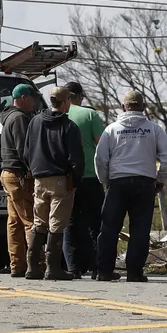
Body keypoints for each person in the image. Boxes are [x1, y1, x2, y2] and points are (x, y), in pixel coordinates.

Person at [94, 89, 167, 283]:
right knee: (140, 230)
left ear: (123, 107)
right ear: (143, 107)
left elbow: (100, 159)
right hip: (144, 183)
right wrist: (160, 179)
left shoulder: (111, 129)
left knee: (109, 229)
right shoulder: (153, 129)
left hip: (118, 183)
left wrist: (106, 181)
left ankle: (104, 271)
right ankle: (134, 272)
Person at [23, 86, 83, 281]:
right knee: (56, 223)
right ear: (66, 102)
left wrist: (33, 169)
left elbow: (26, 152)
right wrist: (75, 179)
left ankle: (32, 266)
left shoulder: (35, 122)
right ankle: (53, 267)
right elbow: (76, 158)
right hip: (60, 179)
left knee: (39, 222)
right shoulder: (69, 126)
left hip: (39, 178)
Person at [61, 81, 105, 279]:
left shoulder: (56, 114)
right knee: (94, 222)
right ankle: (97, 267)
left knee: (69, 222)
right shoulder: (90, 115)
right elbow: (102, 146)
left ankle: (73, 267)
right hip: (89, 176)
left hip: (65, 178)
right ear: (79, 96)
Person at [0, 83, 36, 277]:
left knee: (14, 222)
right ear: (23, 98)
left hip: (7, 173)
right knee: (30, 220)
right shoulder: (20, 118)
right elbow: (24, 150)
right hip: (18, 175)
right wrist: (33, 169)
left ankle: (17, 265)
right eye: (32, 98)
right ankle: (36, 264)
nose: (34, 102)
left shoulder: (8, 117)